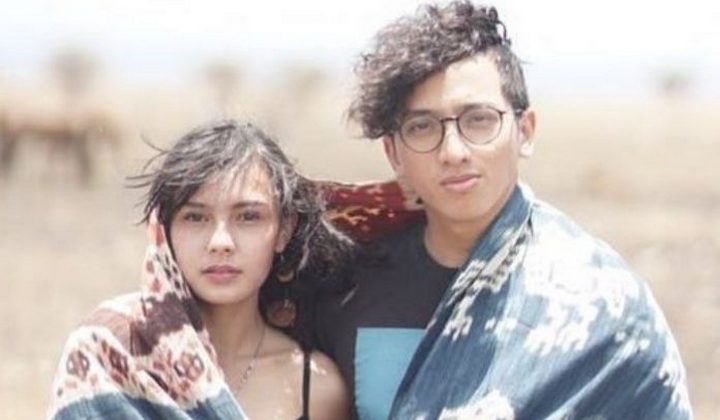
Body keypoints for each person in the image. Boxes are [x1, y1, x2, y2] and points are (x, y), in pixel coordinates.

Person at [315, 2, 693, 419]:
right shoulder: (347, 286)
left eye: (478, 120)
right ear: (393, 153)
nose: (453, 151)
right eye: (422, 127)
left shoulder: (602, 303)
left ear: (525, 132)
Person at [48, 120, 351, 419]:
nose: (221, 243)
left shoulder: (314, 386)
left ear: (284, 229)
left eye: (248, 217)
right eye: (195, 217)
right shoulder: (107, 353)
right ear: (163, 230)